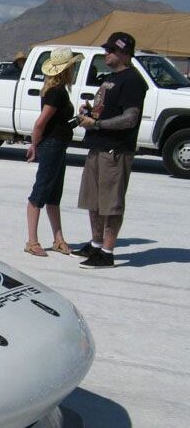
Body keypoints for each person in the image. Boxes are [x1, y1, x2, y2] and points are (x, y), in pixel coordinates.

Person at [74, 31, 147, 269]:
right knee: (93, 201)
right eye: (106, 49)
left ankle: (107, 251)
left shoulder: (133, 81)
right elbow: (104, 109)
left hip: (115, 151)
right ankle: (95, 245)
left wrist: (97, 124)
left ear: (124, 53)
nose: (106, 53)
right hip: (97, 146)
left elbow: (130, 118)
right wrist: (89, 113)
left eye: (111, 50)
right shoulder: (109, 78)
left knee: (111, 204)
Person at [23, 47, 83, 257]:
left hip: (58, 145)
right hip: (52, 146)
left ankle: (58, 239)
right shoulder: (56, 93)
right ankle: (32, 241)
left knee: (54, 195)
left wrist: (79, 118)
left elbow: (60, 124)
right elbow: (41, 123)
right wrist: (34, 145)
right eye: (72, 66)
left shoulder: (57, 91)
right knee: (40, 193)